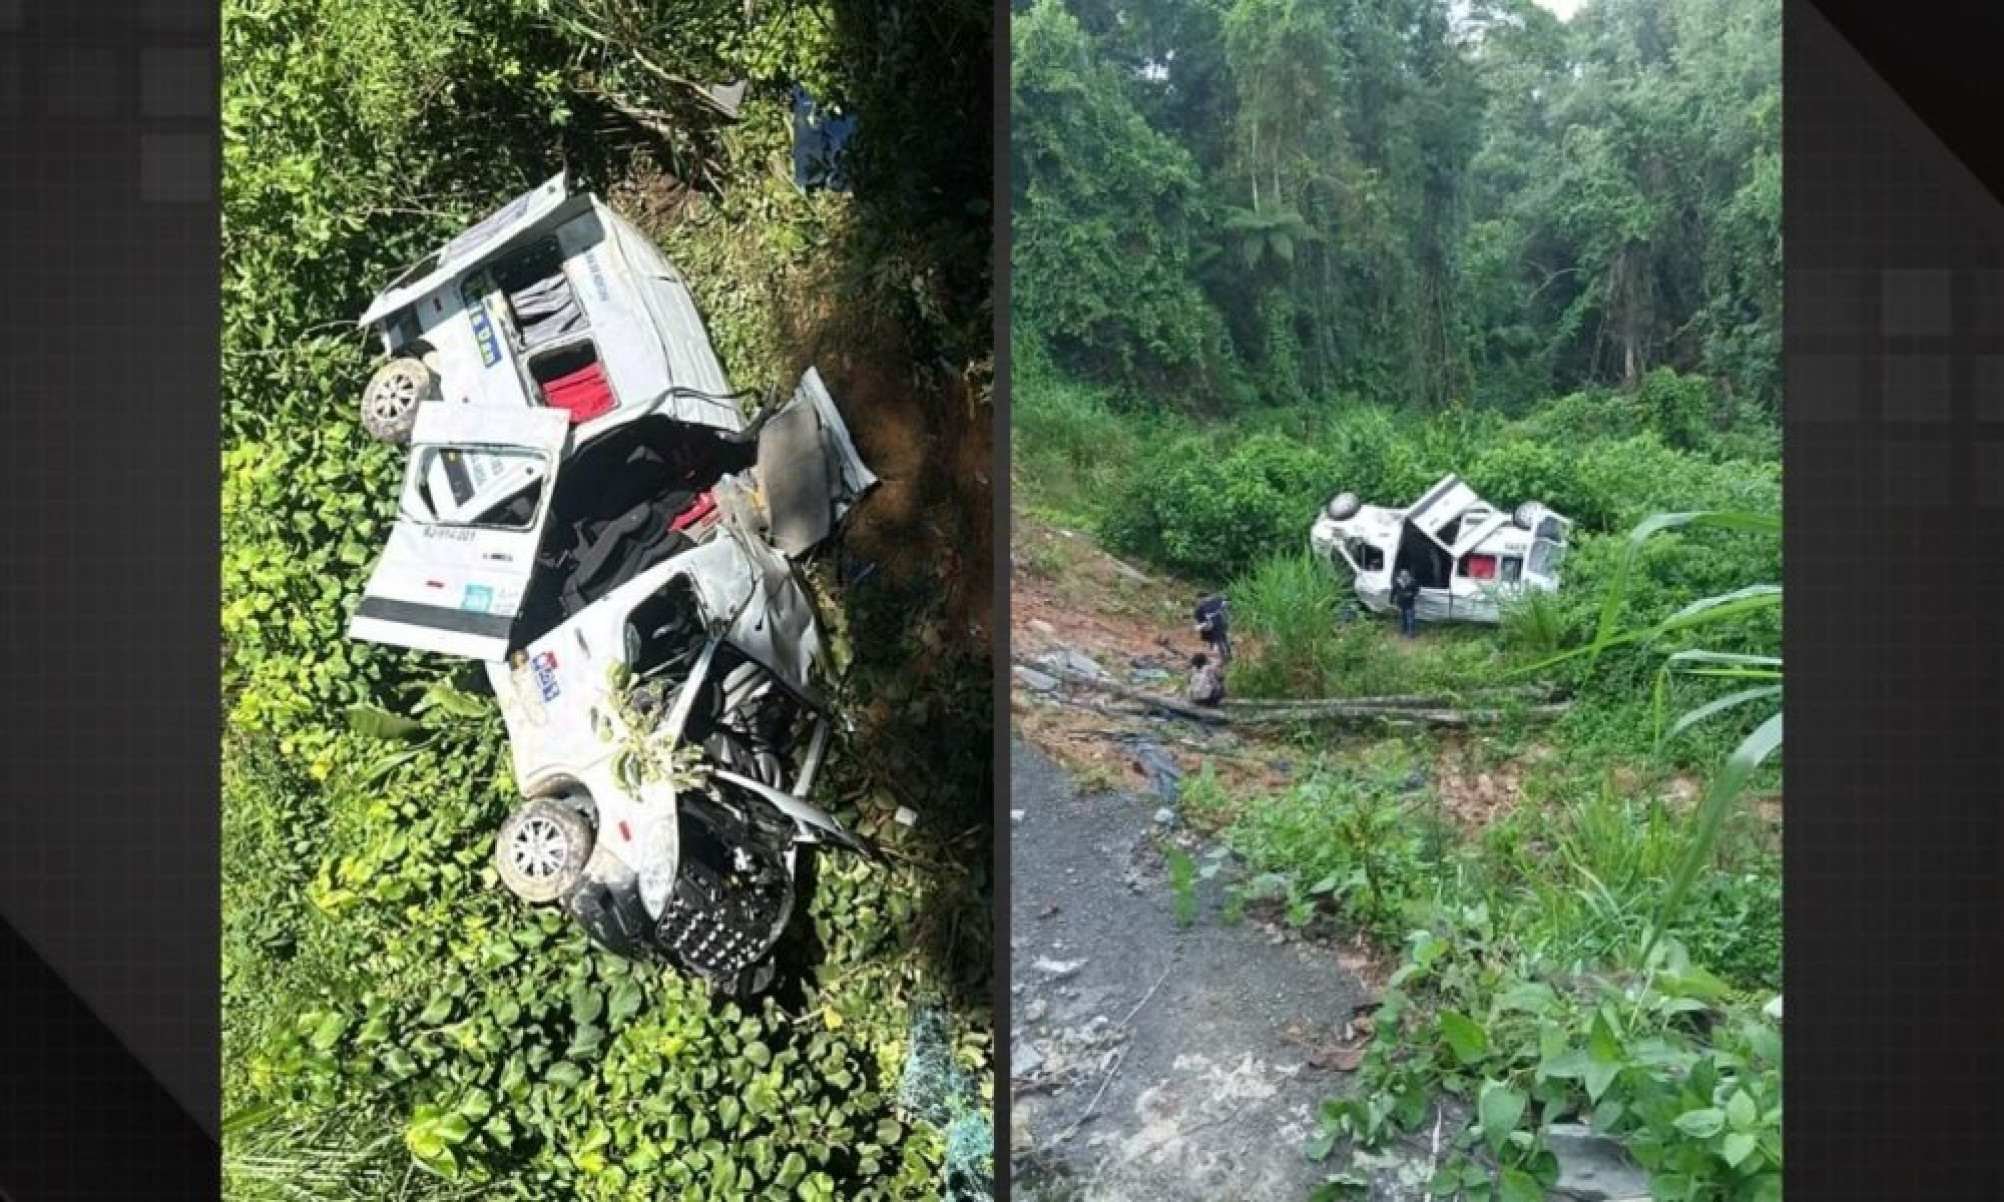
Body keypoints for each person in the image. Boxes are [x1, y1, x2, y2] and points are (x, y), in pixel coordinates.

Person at [1193, 593, 1231, 664]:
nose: (1201, 601)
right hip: (1211, 628)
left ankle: (1227, 656)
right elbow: (1198, 622)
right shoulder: (1199, 609)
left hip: (1219, 625)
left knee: (1224, 640)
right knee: (1219, 642)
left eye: (1202, 599)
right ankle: (1224, 657)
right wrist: (1202, 626)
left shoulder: (1214, 602)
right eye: (1200, 600)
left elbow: (1226, 602)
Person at [1391, 568, 1420, 638]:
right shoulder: (1398, 582)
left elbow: (1417, 590)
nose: (1404, 577)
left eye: (1405, 575)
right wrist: (1391, 601)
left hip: (1410, 604)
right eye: (1402, 575)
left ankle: (1411, 634)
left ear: (1408, 575)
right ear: (1400, 576)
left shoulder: (1412, 582)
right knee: (1402, 618)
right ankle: (1403, 631)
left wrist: (1412, 594)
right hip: (1400, 604)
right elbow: (1393, 592)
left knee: (1410, 619)